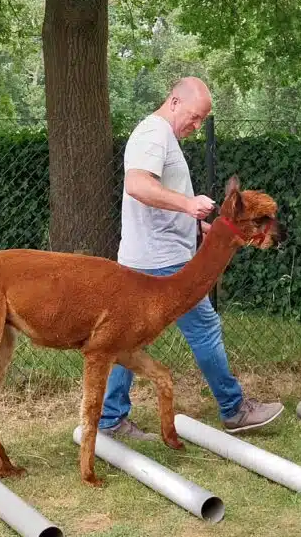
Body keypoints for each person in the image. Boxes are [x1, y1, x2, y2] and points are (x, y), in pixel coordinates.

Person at [98, 76, 284, 439]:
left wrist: (193, 226)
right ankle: (234, 409)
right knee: (204, 328)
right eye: (195, 117)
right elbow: (137, 185)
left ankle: (109, 420)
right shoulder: (154, 135)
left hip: (147, 255)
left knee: (129, 339)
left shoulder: (161, 137)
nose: (197, 126)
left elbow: (155, 201)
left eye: (202, 120)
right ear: (174, 102)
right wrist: (188, 204)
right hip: (162, 260)